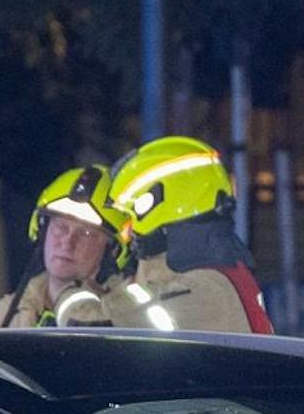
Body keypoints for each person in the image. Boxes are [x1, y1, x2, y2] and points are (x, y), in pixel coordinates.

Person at [86, 136, 271, 335]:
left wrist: (65, 288)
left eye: (133, 217)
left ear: (160, 206)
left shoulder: (206, 285)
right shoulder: (214, 272)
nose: (128, 233)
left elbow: (93, 324)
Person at [0, 164, 126, 328]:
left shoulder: (128, 320)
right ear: (41, 230)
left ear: (112, 250)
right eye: (61, 226)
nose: (67, 242)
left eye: (86, 233)